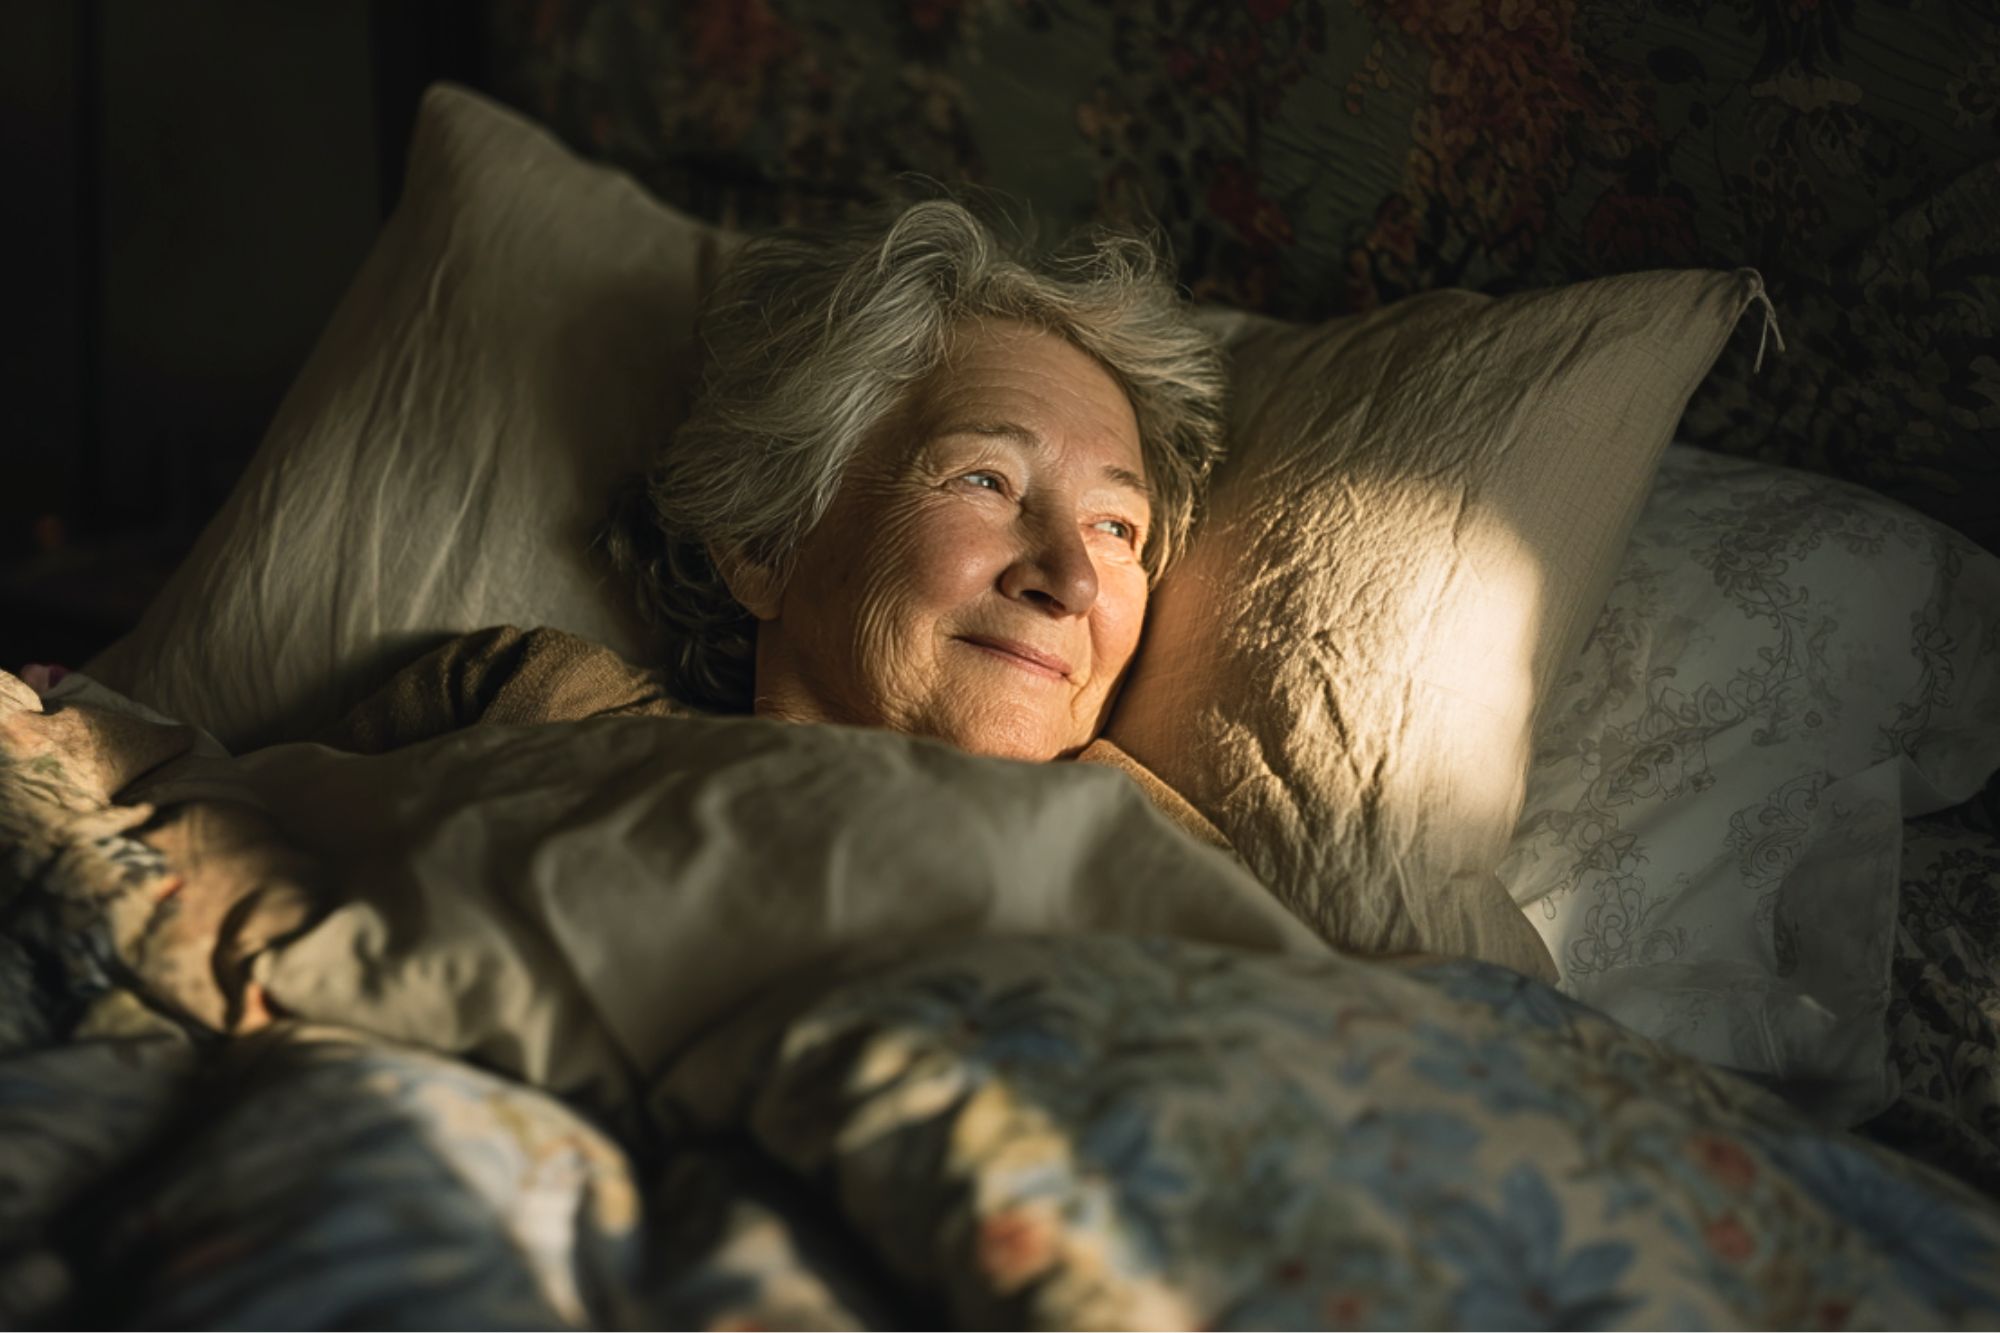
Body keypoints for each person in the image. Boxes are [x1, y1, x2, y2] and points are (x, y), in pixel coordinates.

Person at [0, 198, 1234, 1033]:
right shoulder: (534, 703)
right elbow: (198, 883)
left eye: (1117, 530)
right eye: (986, 480)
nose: (1068, 578)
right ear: (763, 544)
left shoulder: (1137, 835)